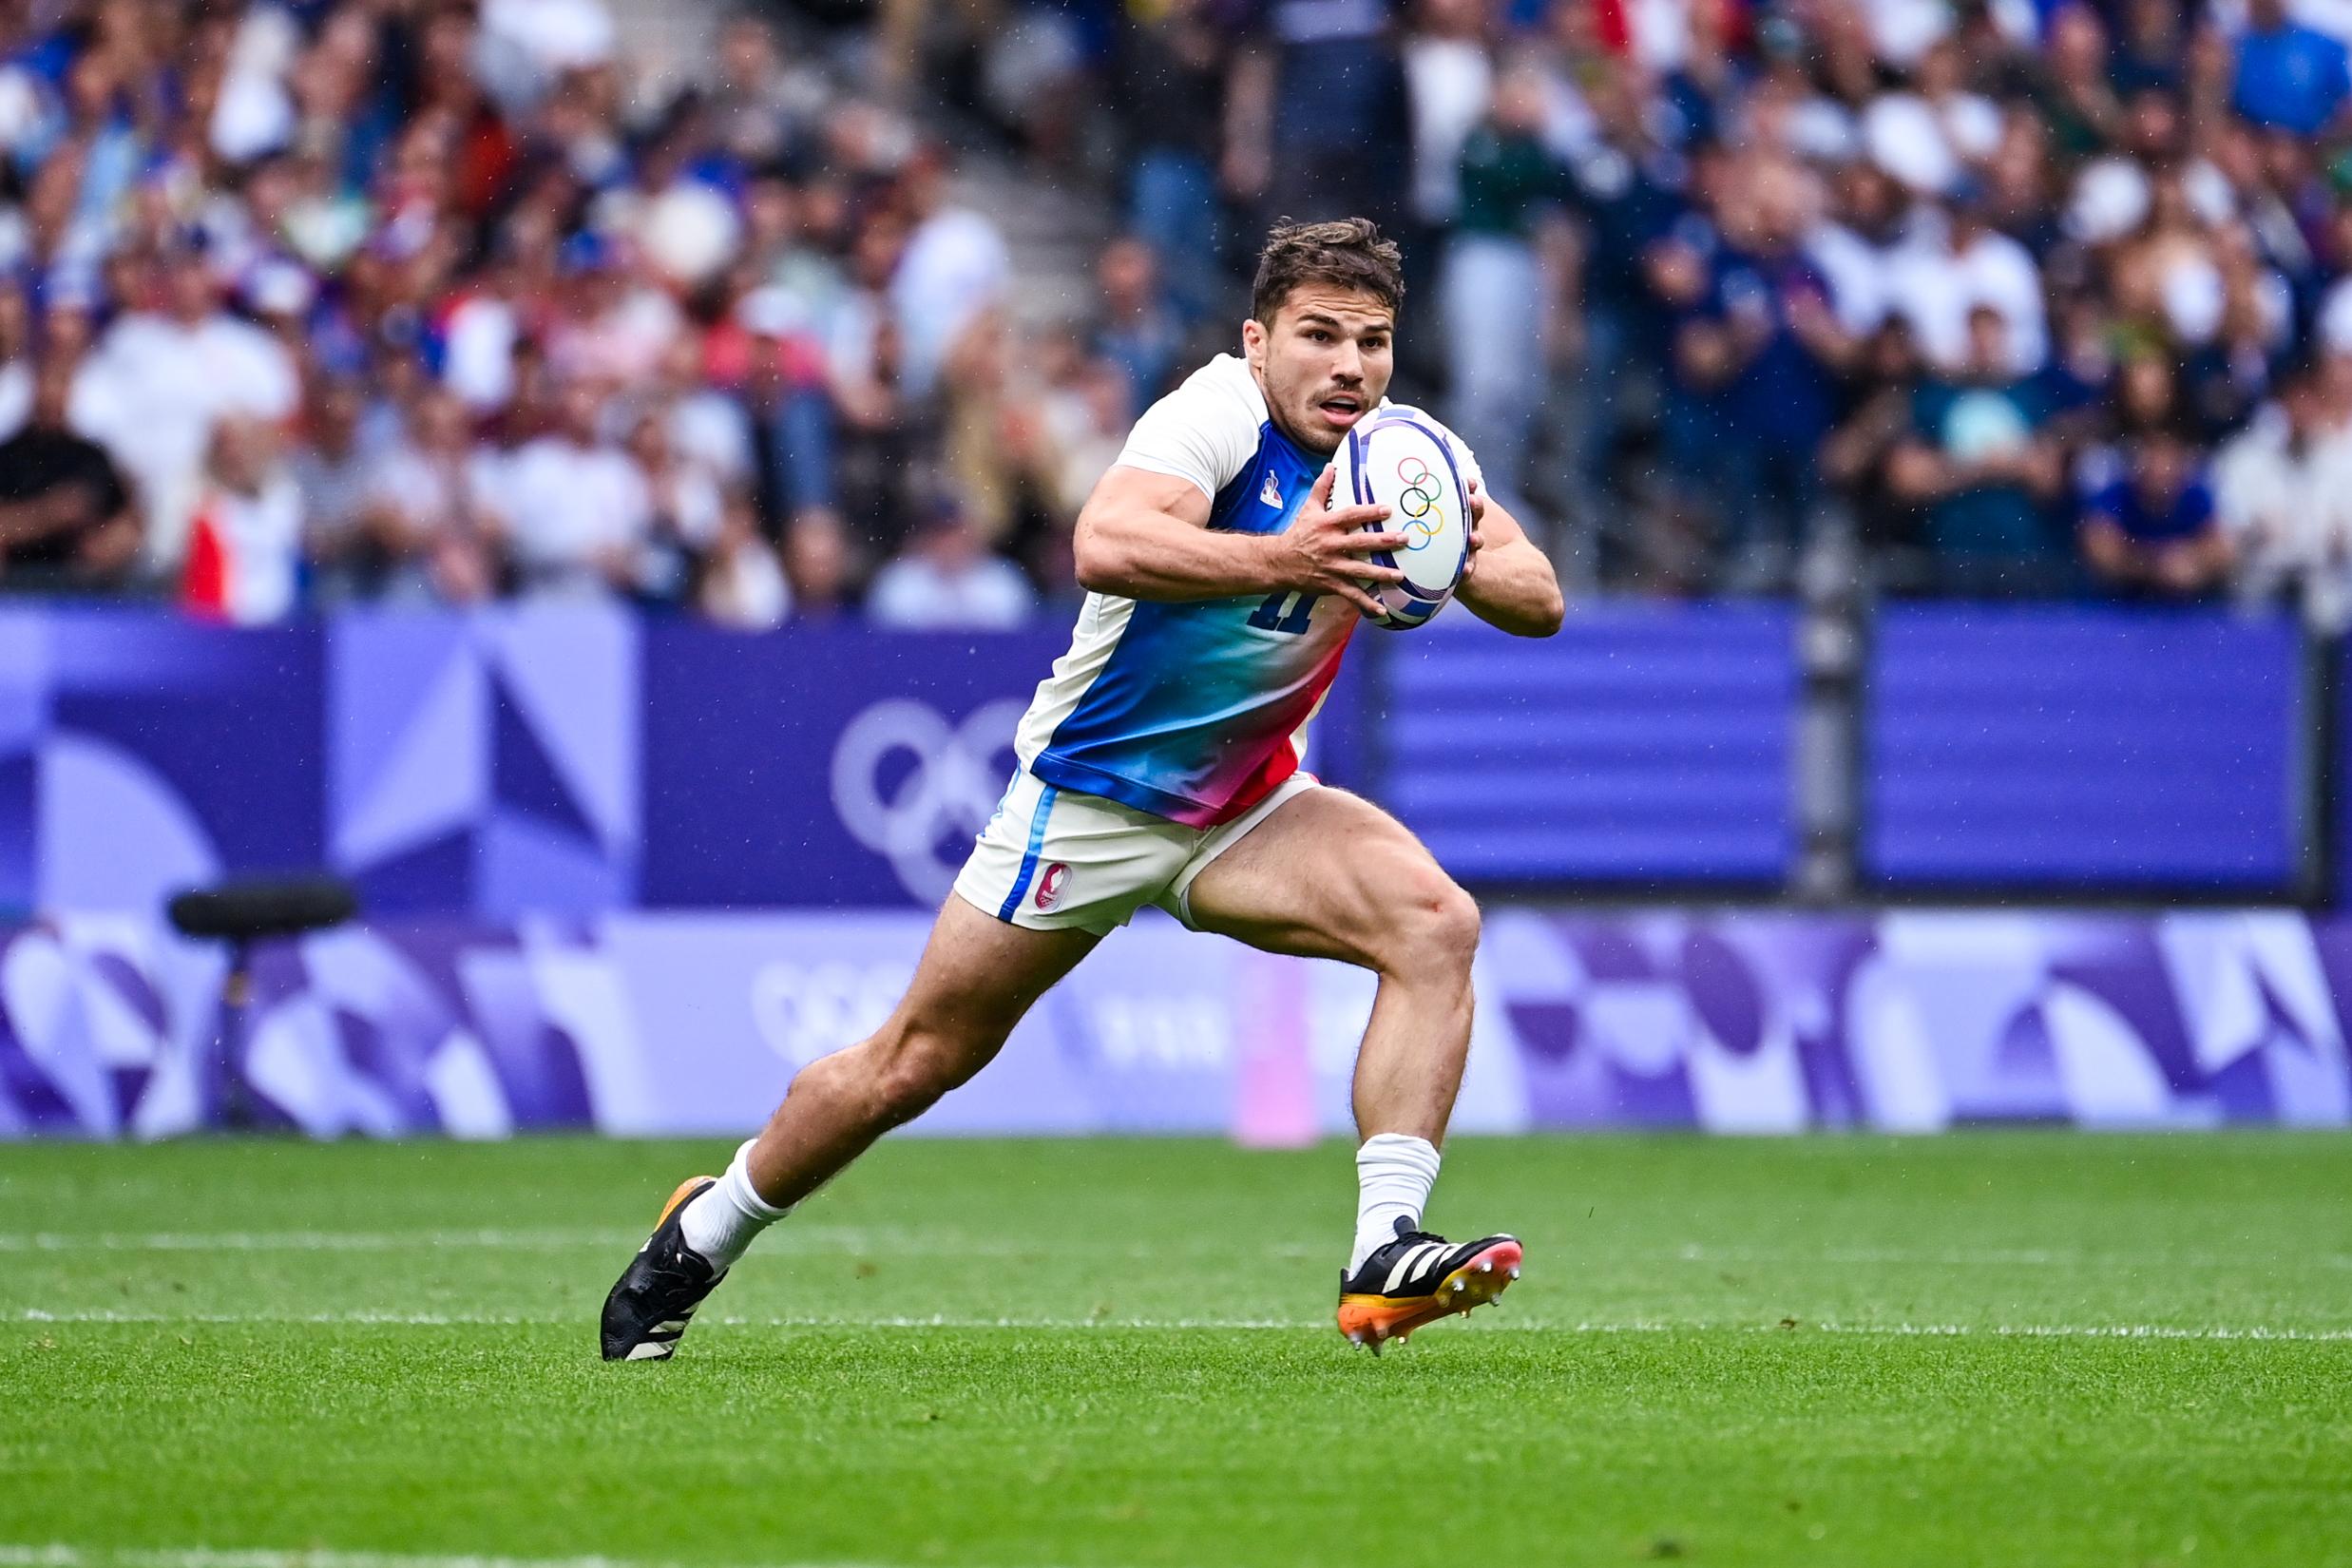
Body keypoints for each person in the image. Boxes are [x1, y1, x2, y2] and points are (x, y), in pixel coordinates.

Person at [600, 219, 1565, 1362]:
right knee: (915, 1062)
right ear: (1259, 343)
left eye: (1373, 341)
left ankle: (1382, 1254)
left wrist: (1447, 552)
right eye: (1320, 336)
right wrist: (1289, 558)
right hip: (1094, 800)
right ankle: (701, 1234)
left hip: (1245, 806)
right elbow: (1104, 542)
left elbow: (1539, 595)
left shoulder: (1405, 454)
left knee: (1435, 923)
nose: (1350, 366)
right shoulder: (1211, 416)